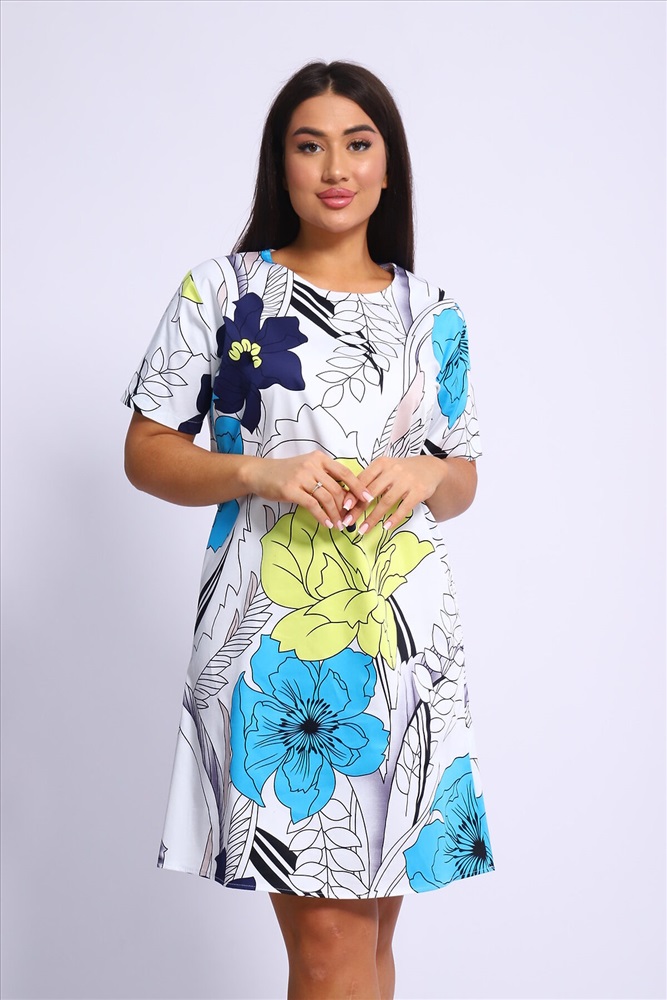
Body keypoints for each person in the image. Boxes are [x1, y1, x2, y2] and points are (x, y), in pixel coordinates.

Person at [122, 59, 496, 1000]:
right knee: (330, 949)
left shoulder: (431, 313)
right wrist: (259, 470)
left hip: (404, 646)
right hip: (276, 647)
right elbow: (145, 452)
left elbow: (461, 479)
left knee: (368, 945)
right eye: (309, 144)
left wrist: (428, 474)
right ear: (279, 163)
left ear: (387, 165)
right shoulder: (223, 291)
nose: (335, 167)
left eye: (357, 144)